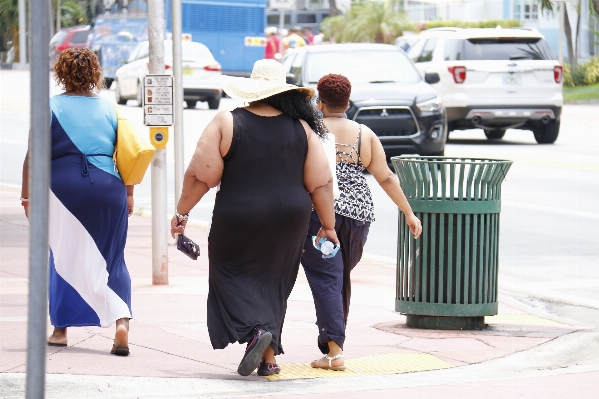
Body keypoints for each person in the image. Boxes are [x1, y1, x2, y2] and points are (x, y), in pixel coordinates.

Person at [170, 59, 338, 377]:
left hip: (239, 215)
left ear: (252, 90)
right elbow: (322, 182)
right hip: (290, 219)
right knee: (275, 280)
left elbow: (200, 176)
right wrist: (328, 226)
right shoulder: (303, 129)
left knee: (228, 272)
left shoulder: (228, 123)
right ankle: (268, 357)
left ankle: (256, 332)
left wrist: (182, 213)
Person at [301, 74, 422, 370]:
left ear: (321, 102)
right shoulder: (363, 134)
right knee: (339, 276)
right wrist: (408, 212)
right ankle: (333, 347)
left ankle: (335, 349)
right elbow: (385, 176)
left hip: (320, 213)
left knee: (328, 279)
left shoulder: (308, 130)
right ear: (348, 101)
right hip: (358, 217)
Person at [20, 48, 133, 356]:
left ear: (62, 74)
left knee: (63, 256)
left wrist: (27, 197)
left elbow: (33, 156)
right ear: (95, 74)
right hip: (109, 187)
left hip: (63, 190)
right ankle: (121, 321)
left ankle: (60, 331)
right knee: (113, 257)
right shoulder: (111, 109)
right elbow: (127, 154)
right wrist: (129, 194)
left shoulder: (50, 106)